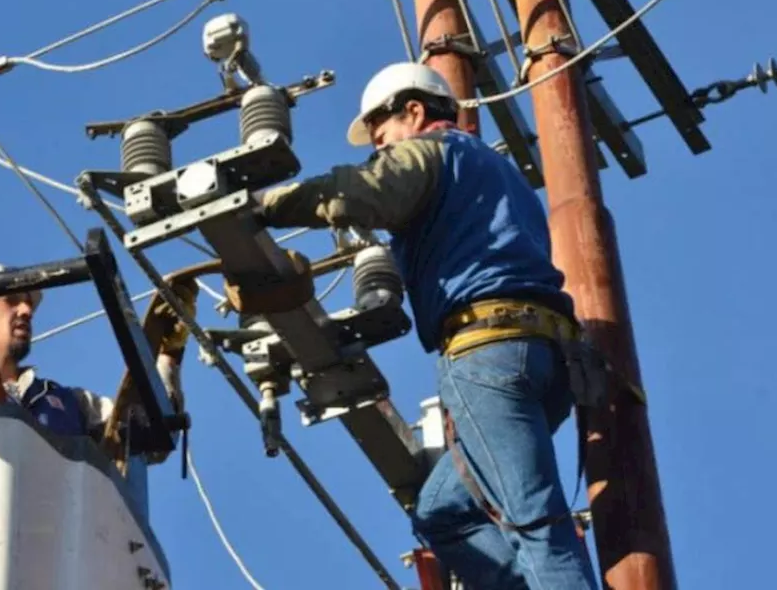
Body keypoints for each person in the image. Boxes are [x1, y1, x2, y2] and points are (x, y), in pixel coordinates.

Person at [253, 63, 598, 589]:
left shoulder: (432, 153)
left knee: (536, 521)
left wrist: (259, 206)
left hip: (487, 353)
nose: (377, 148)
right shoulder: (498, 173)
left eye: (381, 134)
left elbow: (364, 191)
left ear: (414, 112)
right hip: (546, 359)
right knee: (443, 512)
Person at [0, 261, 184, 446]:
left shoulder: (74, 404)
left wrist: (167, 357)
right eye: (10, 300)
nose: (26, 310)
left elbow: (150, 437)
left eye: (28, 304)